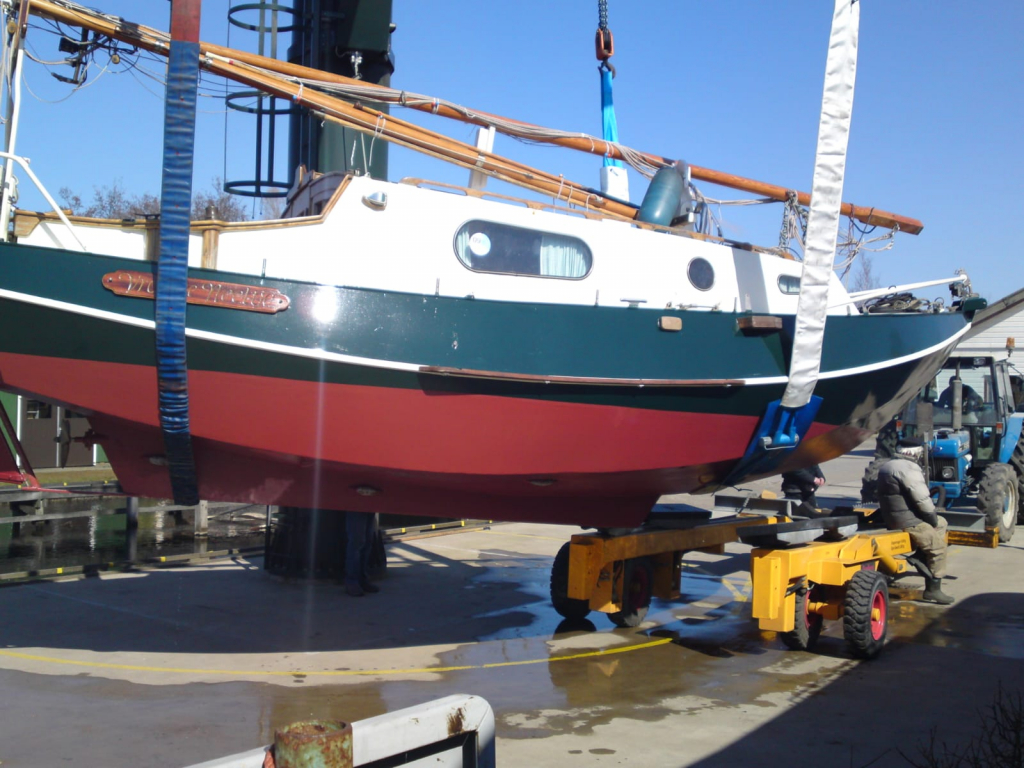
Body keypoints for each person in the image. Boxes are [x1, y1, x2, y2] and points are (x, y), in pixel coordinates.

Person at [876, 453, 953, 605]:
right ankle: (933, 589)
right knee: (938, 549)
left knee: (942, 522)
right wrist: (931, 519)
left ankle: (920, 555)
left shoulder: (889, 465)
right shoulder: (908, 468)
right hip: (908, 521)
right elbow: (922, 499)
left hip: (895, 517)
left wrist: (935, 521)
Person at [344, 511, 380, 597]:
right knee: (357, 542)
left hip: (369, 506)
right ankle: (352, 581)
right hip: (356, 507)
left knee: (367, 541)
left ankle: (362, 579)